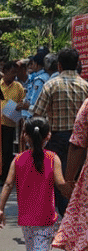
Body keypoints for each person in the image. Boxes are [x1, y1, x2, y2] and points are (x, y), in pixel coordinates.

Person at [0, 117, 72, 251]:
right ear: (48, 136)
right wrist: (75, 189)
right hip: (45, 217)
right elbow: (61, 185)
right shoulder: (52, 158)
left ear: (25, 136)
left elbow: (7, 184)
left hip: (26, 218)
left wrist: (0, 209)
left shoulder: (18, 159)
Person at [29, 47, 88, 216]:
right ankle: (75, 218)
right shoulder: (85, 86)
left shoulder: (50, 86)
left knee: (59, 179)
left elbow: (37, 116)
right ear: (77, 64)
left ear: (59, 66)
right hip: (83, 142)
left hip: (58, 139)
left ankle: (66, 216)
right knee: (79, 180)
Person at [0, 60, 25, 181]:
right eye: (11, 73)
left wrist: (18, 106)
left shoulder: (18, 87)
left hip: (10, 123)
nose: (14, 75)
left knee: (7, 151)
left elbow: (23, 103)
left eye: (15, 73)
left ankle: (6, 177)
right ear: (4, 72)